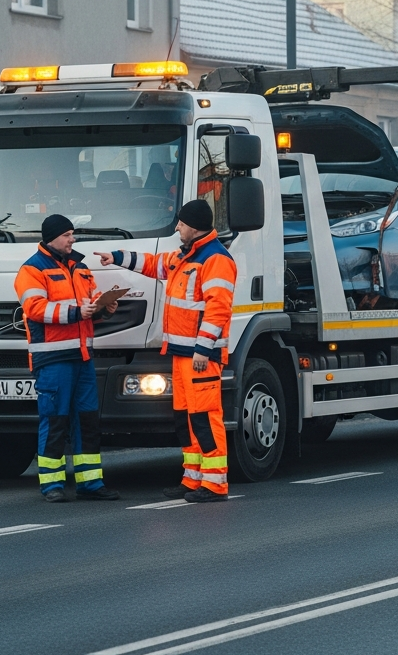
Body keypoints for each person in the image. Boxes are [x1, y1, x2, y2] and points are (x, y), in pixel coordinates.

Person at [95, 199, 235, 503]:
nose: (177, 228)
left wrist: (203, 348)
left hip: (200, 356)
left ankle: (214, 484)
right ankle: (193, 478)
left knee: (205, 417)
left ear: (194, 227)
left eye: (181, 224)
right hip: (183, 354)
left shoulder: (215, 259)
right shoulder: (185, 256)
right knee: (185, 419)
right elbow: (153, 263)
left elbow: (218, 308)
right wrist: (116, 256)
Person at [14, 213, 121, 503]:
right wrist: (77, 312)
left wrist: (104, 308)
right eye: (67, 235)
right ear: (51, 238)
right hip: (53, 359)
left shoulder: (81, 267)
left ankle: (90, 483)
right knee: (55, 420)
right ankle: (52, 485)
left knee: (87, 422)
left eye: (72, 234)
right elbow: (36, 309)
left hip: (82, 356)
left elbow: (92, 300)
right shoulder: (32, 270)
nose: (72, 239)